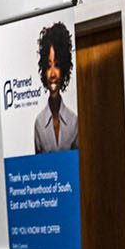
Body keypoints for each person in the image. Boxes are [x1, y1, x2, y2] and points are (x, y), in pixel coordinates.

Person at [32, 21, 78, 154]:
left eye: (57, 65)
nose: (52, 74)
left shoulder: (74, 122)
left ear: (64, 68)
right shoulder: (39, 123)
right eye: (48, 66)